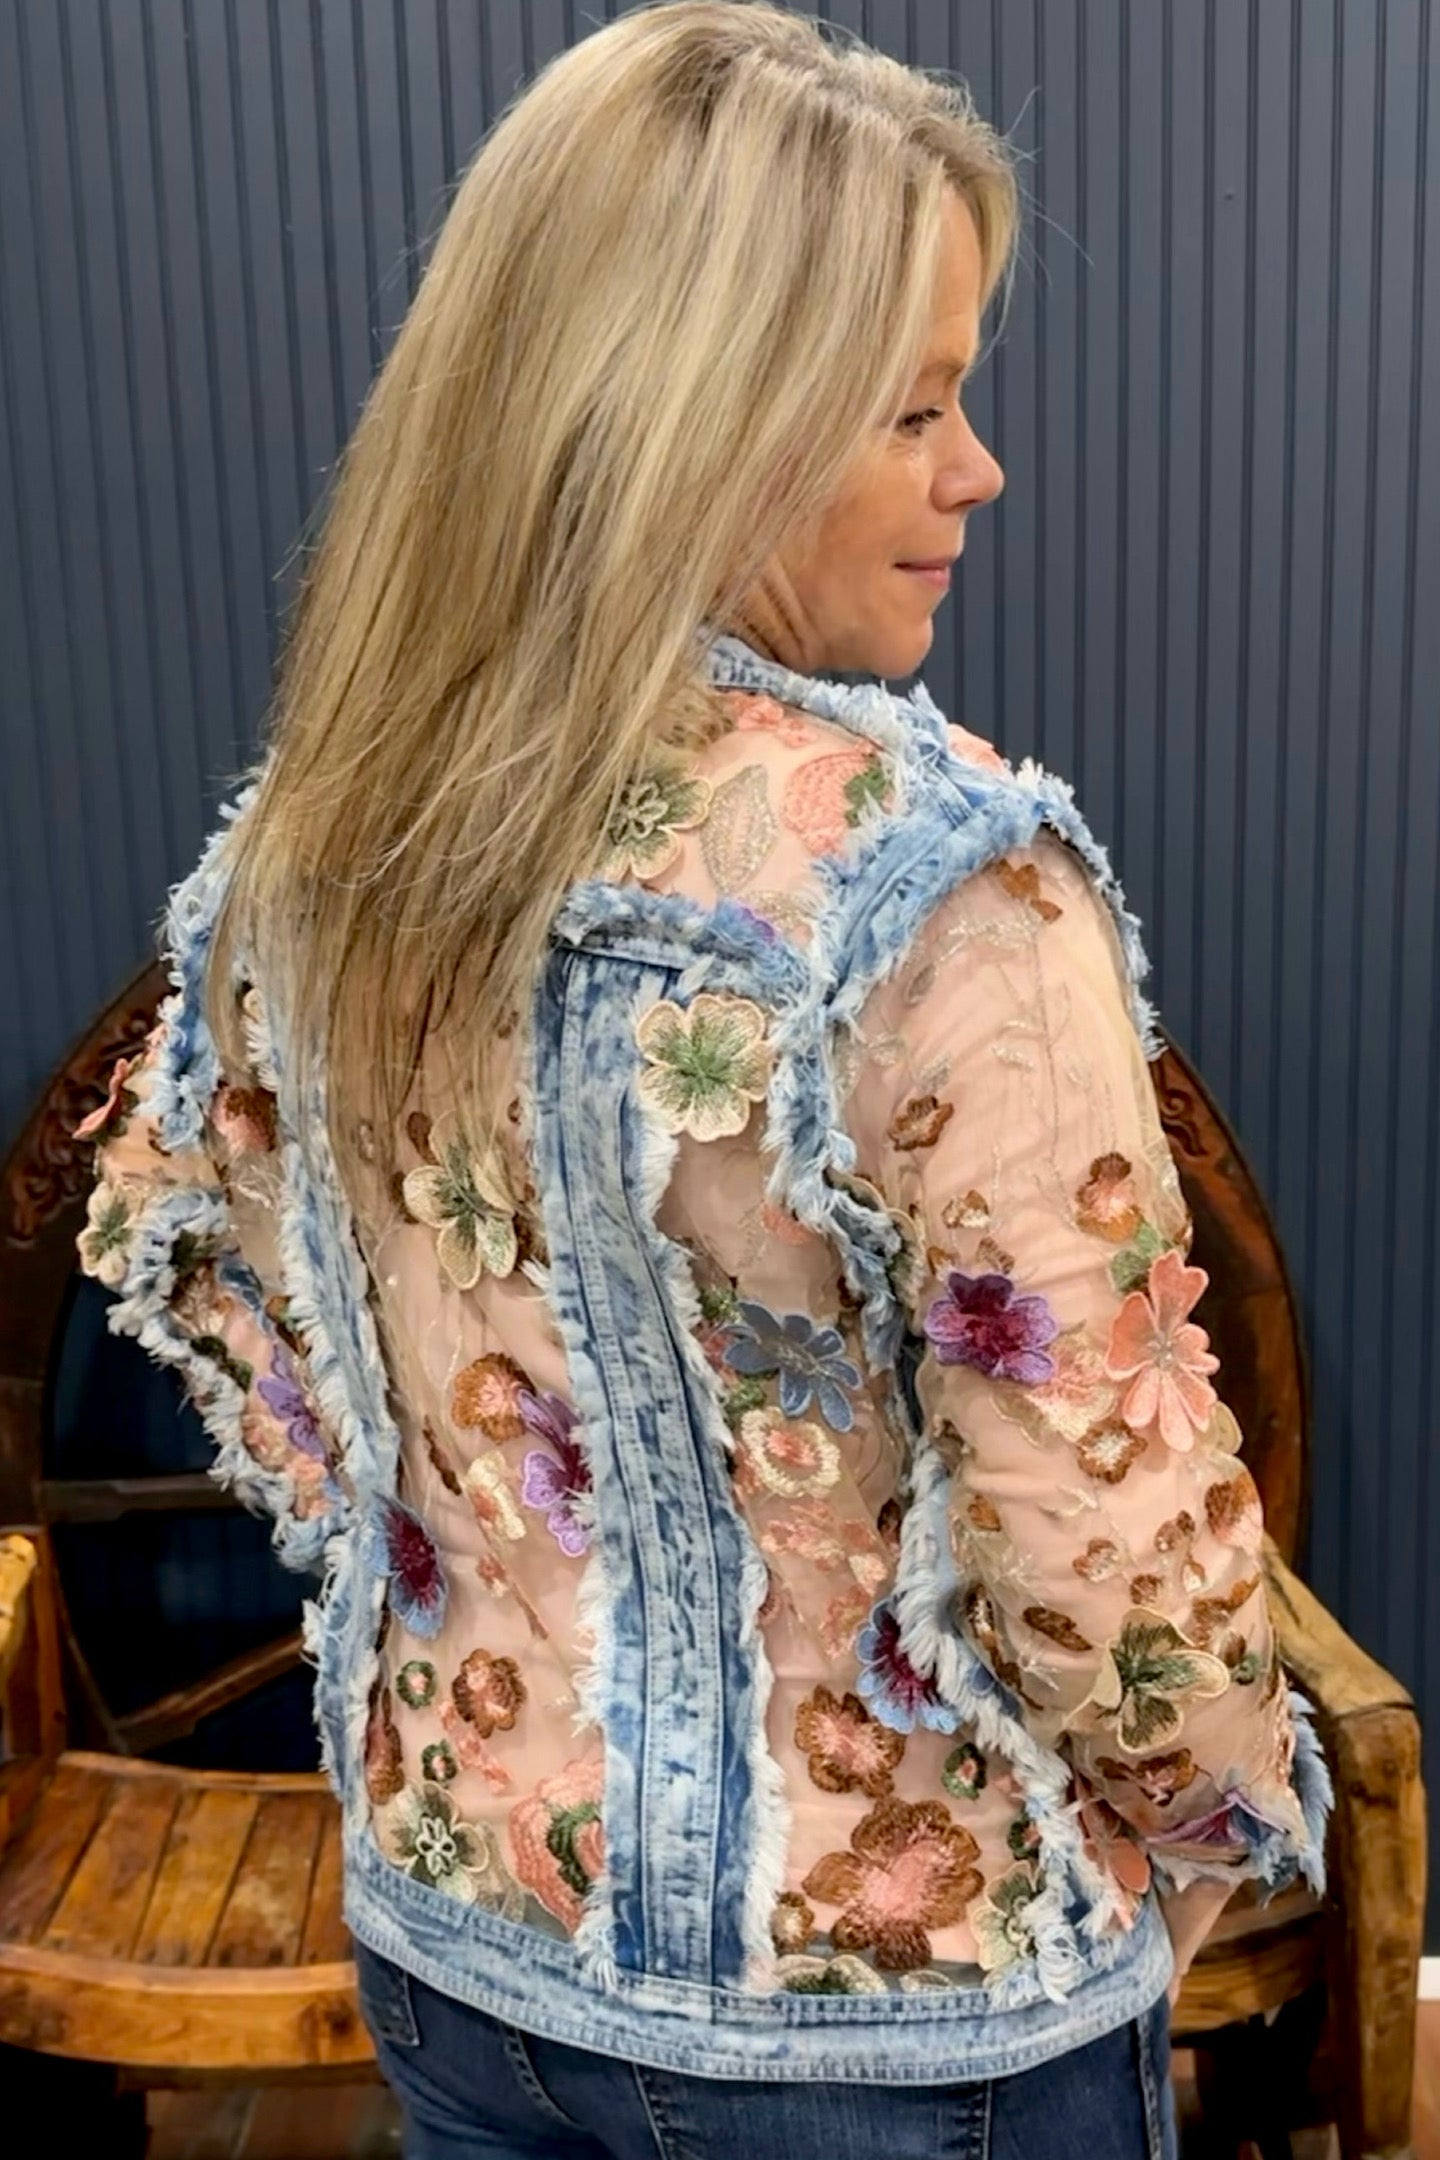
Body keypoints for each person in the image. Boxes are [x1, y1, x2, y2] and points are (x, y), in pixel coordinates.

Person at [76, 6, 1328, 2155]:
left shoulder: (326, 831)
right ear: (701, 421)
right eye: (915, 407)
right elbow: (1107, 1544)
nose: (976, 471)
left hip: (463, 1958)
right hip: (900, 2036)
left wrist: (465, 1604)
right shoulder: (944, 890)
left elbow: (214, 1263)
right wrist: (1223, 1818)